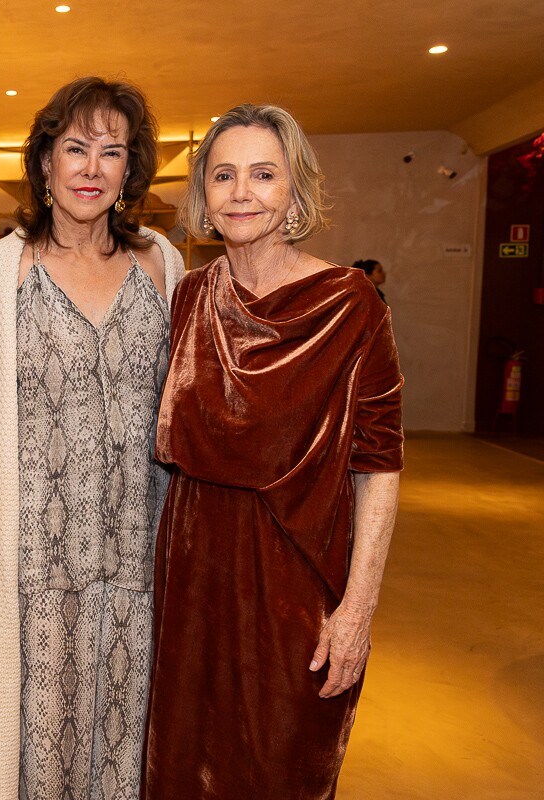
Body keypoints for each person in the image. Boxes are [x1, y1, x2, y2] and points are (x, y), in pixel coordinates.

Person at [144, 104, 404, 799]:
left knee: (281, 767)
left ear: (296, 190)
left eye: (264, 174)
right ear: (203, 194)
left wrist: (357, 611)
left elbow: (379, 466)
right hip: (194, 570)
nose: (241, 192)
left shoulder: (350, 302)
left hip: (297, 578)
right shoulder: (192, 295)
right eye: (223, 175)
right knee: (185, 765)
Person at [0, 77, 186, 800]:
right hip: (35, 569)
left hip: (138, 560)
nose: (92, 167)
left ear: (130, 171)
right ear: (46, 164)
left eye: (111, 152)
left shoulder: (161, 265)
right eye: (76, 148)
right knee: (37, 758)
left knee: (131, 747)